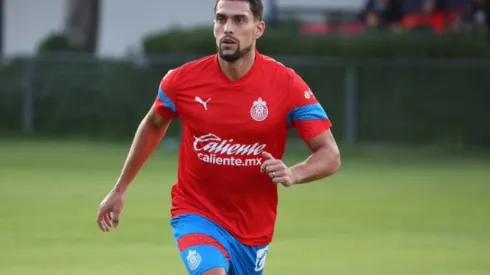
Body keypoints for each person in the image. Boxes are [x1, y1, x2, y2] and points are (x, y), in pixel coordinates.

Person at [96, 0, 341, 274]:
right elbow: (154, 123)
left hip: (253, 227)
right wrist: (119, 189)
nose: (228, 29)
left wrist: (294, 174)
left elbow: (330, 154)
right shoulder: (182, 81)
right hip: (195, 212)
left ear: (258, 28)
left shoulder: (287, 84)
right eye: (221, 19)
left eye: (239, 20)